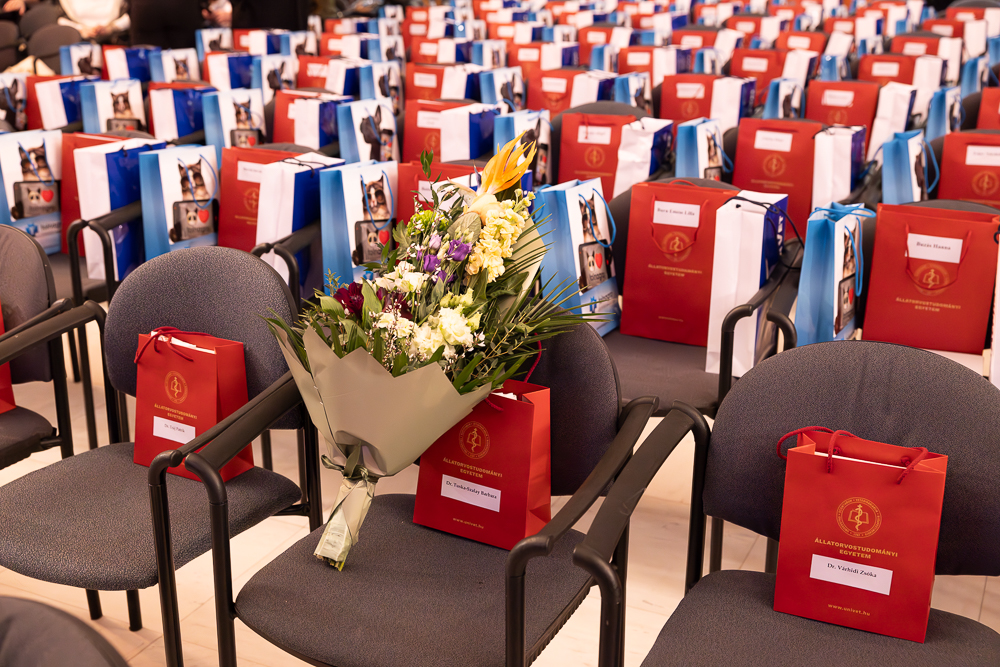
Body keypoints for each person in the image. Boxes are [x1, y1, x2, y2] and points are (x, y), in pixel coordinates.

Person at [3, 0, 130, 41]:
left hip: (117, 36)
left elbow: (130, 18)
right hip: (73, 36)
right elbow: (60, 20)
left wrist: (112, 28)